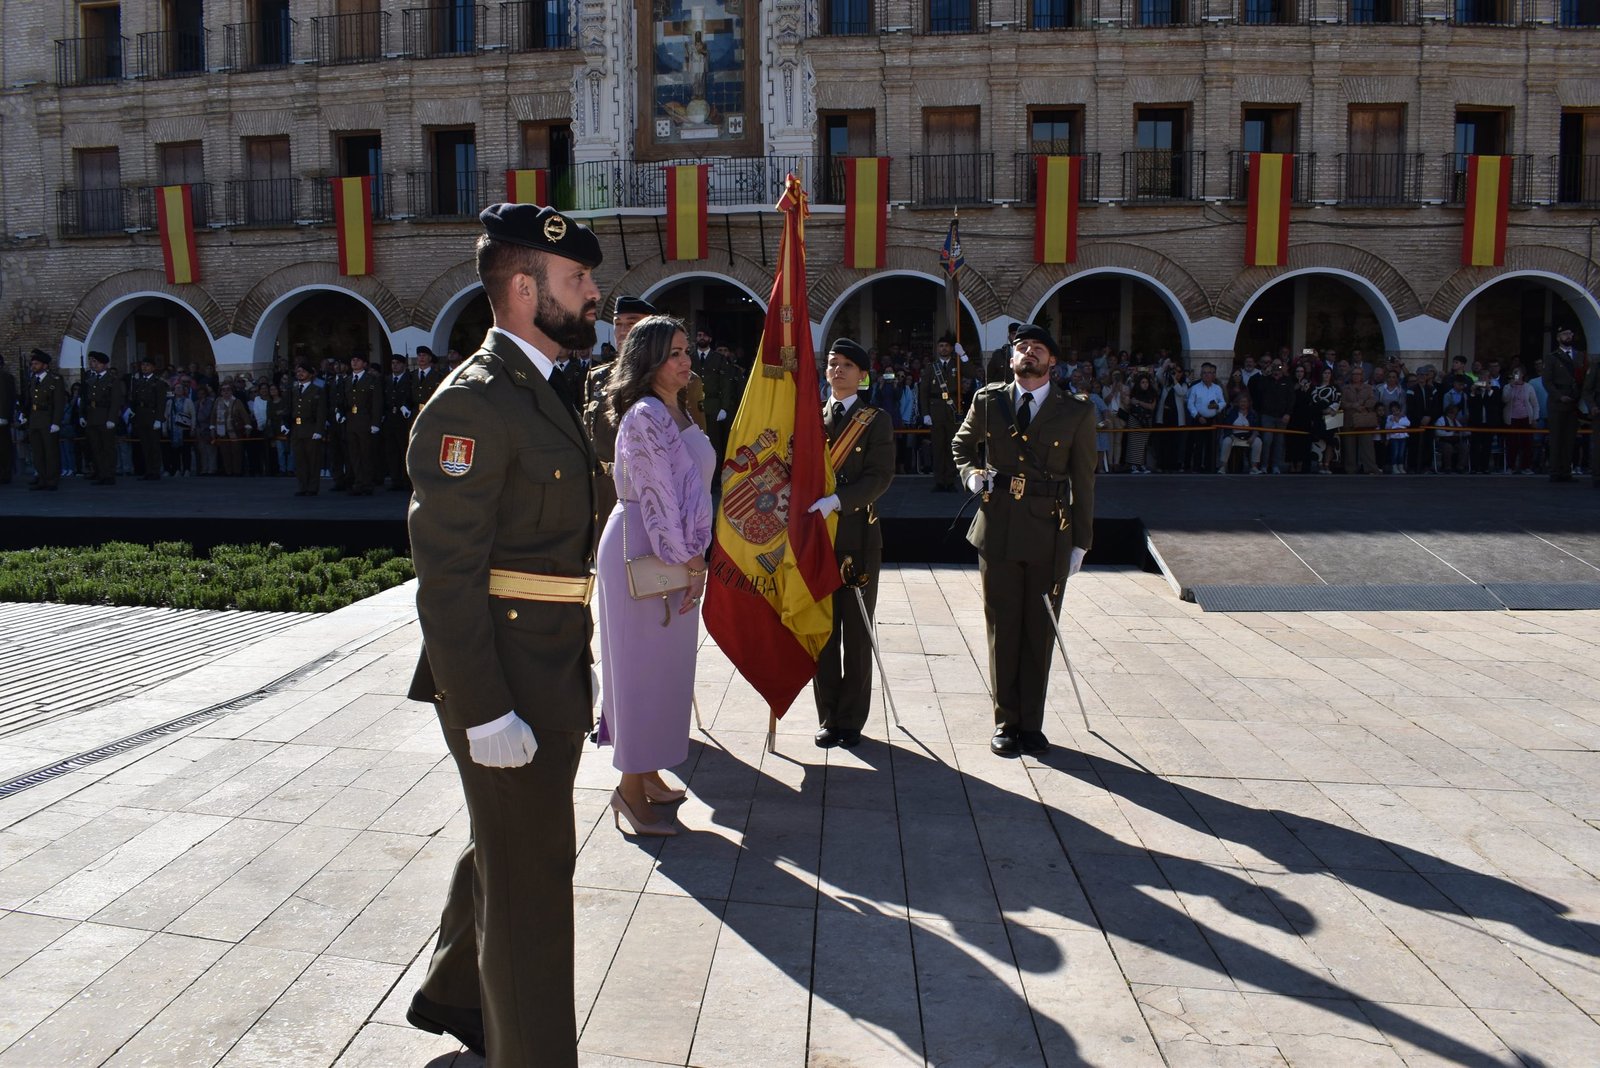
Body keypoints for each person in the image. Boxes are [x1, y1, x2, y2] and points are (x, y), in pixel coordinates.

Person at [405, 202, 603, 1068]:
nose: (594, 294)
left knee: (507, 849)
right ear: (524, 290)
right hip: (506, 681)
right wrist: (484, 713)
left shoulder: (546, 386)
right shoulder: (476, 404)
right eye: (577, 280)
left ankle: (459, 995)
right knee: (531, 889)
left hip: (549, 665)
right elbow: (446, 579)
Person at [594, 314, 714, 833]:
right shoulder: (645, 414)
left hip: (669, 546)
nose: (686, 361)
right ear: (648, 361)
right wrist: (690, 559)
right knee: (640, 672)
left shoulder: (674, 408)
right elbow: (659, 496)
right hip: (647, 545)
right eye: (674, 354)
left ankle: (646, 774)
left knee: (663, 671)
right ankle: (628, 791)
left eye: (688, 351)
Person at [952, 324, 1094, 758]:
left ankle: (1032, 724)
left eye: (1037, 349)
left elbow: (1084, 481)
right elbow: (961, 445)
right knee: (1003, 628)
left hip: (1050, 531)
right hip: (998, 527)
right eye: (1021, 348)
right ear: (1011, 358)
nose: (1028, 354)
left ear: (1052, 361)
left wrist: (1081, 543)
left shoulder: (1076, 411)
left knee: (1040, 630)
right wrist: (972, 474)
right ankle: (1005, 722)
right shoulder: (989, 400)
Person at [809, 338, 895, 748]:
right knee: (822, 632)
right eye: (832, 363)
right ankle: (828, 716)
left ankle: (851, 719)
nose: (837, 370)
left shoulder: (874, 419)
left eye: (847, 365)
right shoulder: (811, 416)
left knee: (857, 633)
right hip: (818, 541)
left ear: (862, 374)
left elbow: (879, 478)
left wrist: (838, 500)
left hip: (858, 537)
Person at [585, 294, 657, 529]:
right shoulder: (596, 378)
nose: (623, 330)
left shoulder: (667, 378)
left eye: (632, 322)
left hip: (644, 489)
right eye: (618, 324)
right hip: (603, 487)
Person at [919, 337, 962, 491]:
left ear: (951, 349)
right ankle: (939, 481)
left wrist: (963, 356)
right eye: (941, 346)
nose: (944, 348)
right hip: (935, 411)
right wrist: (925, 413)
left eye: (946, 346)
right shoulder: (931, 367)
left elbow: (972, 373)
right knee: (937, 448)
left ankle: (950, 480)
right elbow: (923, 392)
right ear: (937, 349)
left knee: (952, 447)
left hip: (952, 411)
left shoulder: (957, 364)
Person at [23, 349, 65, 490]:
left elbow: (59, 403)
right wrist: (24, 415)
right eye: (32, 364)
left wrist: (56, 422)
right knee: (38, 452)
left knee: (50, 452)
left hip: (47, 419)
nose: (33, 366)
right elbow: (29, 401)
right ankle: (42, 478)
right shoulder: (33, 379)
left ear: (45, 365)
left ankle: (52, 480)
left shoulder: (55, 380)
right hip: (35, 419)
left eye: (36, 364)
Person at [1543, 327, 1581, 482]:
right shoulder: (1552, 357)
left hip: (1574, 401)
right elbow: (1547, 381)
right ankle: (1555, 471)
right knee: (1557, 438)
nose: (1569, 336)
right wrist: (1559, 396)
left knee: (1570, 438)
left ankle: (1566, 471)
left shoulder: (1579, 355)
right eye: (1565, 334)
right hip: (1558, 402)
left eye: (1570, 333)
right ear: (1558, 338)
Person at [82, 350, 124, 485]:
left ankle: (109, 474)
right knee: (95, 447)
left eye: (97, 362)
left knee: (107, 448)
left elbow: (115, 401)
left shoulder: (112, 380)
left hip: (105, 416)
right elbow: (85, 399)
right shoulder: (90, 379)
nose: (94, 364)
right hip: (92, 416)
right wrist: (83, 415)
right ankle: (100, 473)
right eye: (92, 362)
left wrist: (112, 418)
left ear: (105, 365)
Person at [343, 352, 383, 495]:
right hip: (351, 421)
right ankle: (358, 482)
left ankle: (367, 483)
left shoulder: (371, 380)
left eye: (358, 360)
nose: (354, 362)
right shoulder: (347, 380)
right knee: (354, 454)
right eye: (353, 360)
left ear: (364, 364)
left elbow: (376, 403)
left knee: (366, 454)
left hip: (365, 420)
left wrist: (375, 422)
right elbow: (344, 401)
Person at [286, 362, 327, 496]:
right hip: (297, 429)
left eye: (303, 371)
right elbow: (290, 408)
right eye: (298, 372)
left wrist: (319, 430)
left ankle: (313, 486)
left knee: (313, 460)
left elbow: (321, 412)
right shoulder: (294, 389)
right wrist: (285, 423)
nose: (300, 374)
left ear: (310, 374)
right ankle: (302, 486)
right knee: (300, 460)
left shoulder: (317, 390)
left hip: (311, 428)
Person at [130, 357, 168, 480]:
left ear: (153, 367)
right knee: (145, 445)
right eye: (143, 365)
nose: (144, 367)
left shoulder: (158, 383)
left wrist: (159, 418)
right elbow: (134, 399)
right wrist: (133, 411)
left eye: (147, 365)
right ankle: (148, 470)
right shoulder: (138, 382)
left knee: (154, 445)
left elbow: (161, 402)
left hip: (152, 414)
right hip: (141, 414)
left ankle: (155, 470)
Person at [384, 353, 417, 491]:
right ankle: (395, 479)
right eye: (393, 363)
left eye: (398, 363)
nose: (395, 365)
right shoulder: (386, 379)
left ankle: (406, 479)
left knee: (404, 449)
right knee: (392, 451)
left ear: (404, 365)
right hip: (390, 418)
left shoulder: (409, 379)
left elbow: (410, 396)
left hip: (403, 419)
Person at [1185, 362, 1224, 472]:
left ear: (1213, 375)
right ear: (1201, 375)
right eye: (1205, 373)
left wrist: (1217, 406)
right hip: (1198, 419)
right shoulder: (1195, 388)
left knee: (1210, 445)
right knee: (1198, 445)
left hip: (1212, 420)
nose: (1207, 375)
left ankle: (1209, 467)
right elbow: (1190, 404)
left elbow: (1223, 402)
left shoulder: (1217, 388)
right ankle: (1196, 467)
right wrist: (1197, 416)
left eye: (1209, 373)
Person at [1383, 401, 1411, 474]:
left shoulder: (1404, 417)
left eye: (1396, 410)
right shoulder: (1389, 417)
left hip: (1402, 437)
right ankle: (1394, 467)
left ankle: (1400, 467)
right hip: (1394, 437)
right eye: (1393, 411)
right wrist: (1392, 421)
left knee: (1401, 453)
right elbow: (1387, 427)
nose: (1395, 412)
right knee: (1395, 453)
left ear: (1399, 409)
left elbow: (1408, 423)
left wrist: (1399, 420)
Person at [0, 359, 15, 484]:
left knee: (4, 447)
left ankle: (5, 473)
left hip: (1, 418)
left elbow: (5, 398)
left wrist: (3, 416)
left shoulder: (5, 377)